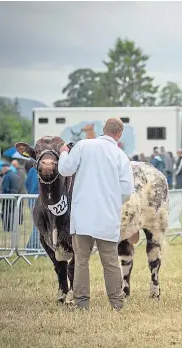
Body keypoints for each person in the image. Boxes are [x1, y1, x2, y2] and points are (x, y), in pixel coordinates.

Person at [58, 117, 135, 311]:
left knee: (81, 260)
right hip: (107, 216)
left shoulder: (83, 146)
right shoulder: (120, 156)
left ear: (103, 129)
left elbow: (66, 170)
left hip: (83, 215)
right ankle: (116, 303)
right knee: (110, 262)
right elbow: (126, 190)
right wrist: (113, 200)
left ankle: (82, 303)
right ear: (119, 134)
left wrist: (64, 152)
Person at [24, 160, 40, 250]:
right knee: (39, 225)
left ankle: (32, 246)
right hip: (40, 199)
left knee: (37, 224)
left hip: (32, 199)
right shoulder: (42, 169)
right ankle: (32, 247)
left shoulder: (32, 170)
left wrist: (30, 192)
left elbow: (26, 183)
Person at [0, 162, 20, 232]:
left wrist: (2, 197)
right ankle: (11, 227)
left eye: (2, 168)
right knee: (11, 213)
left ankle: (7, 228)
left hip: (8, 197)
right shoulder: (15, 174)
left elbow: (5, 188)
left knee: (5, 213)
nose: (1, 170)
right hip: (14, 196)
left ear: (5, 168)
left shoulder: (7, 176)